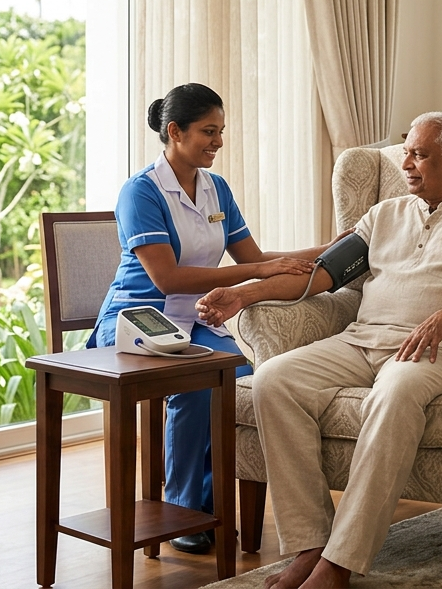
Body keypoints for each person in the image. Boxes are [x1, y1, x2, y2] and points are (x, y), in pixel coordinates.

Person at [195, 111, 442, 589]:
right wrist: (247, 293)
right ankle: (309, 542)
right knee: (273, 380)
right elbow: (322, 275)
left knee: (392, 397)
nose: (406, 163)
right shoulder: (383, 214)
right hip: (360, 339)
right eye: (406, 151)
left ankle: (341, 562)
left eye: (420, 154)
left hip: (431, 348)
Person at [90, 82, 331, 554]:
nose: (218, 141)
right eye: (208, 131)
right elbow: (168, 278)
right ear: (175, 132)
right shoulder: (140, 192)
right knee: (201, 380)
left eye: (221, 131)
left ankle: (211, 503)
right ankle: (186, 512)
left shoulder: (215, 187)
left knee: (244, 373)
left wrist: (327, 249)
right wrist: (262, 270)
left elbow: (255, 256)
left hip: (194, 321)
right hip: (138, 322)